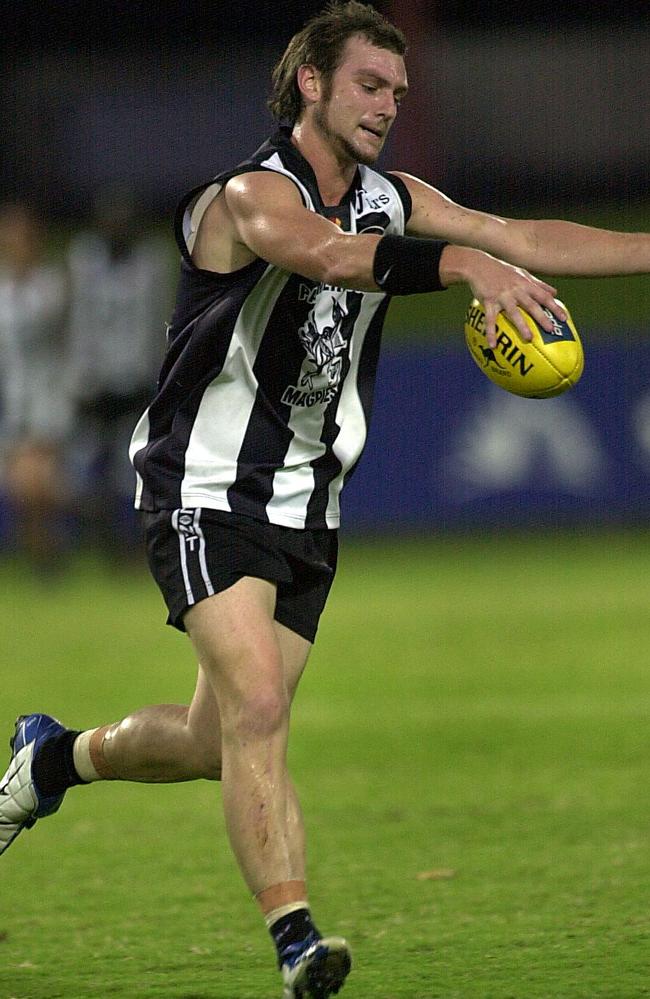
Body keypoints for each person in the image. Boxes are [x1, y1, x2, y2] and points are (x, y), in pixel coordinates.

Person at [2, 3, 650, 996]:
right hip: (201, 485)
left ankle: (53, 762)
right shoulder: (247, 197)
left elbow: (515, 230)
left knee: (218, 740)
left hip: (307, 501)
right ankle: (296, 938)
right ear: (310, 82)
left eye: (397, 90)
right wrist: (467, 265)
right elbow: (326, 255)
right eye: (367, 85)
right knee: (259, 703)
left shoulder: (391, 197)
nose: (388, 105)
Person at [64, 184, 170, 561]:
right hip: (92, 382)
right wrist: (77, 377)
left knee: (135, 472)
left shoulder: (151, 262)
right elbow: (76, 320)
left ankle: (136, 548)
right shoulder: (84, 257)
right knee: (82, 468)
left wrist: (155, 379)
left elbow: (156, 322)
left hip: (135, 381)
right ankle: (92, 541)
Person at [0, 203, 71, 572]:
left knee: (40, 484)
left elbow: (60, 337)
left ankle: (48, 552)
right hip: (11, 400)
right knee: (20, 488)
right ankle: (40, 553)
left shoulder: (50, 286)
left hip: (47, 397)